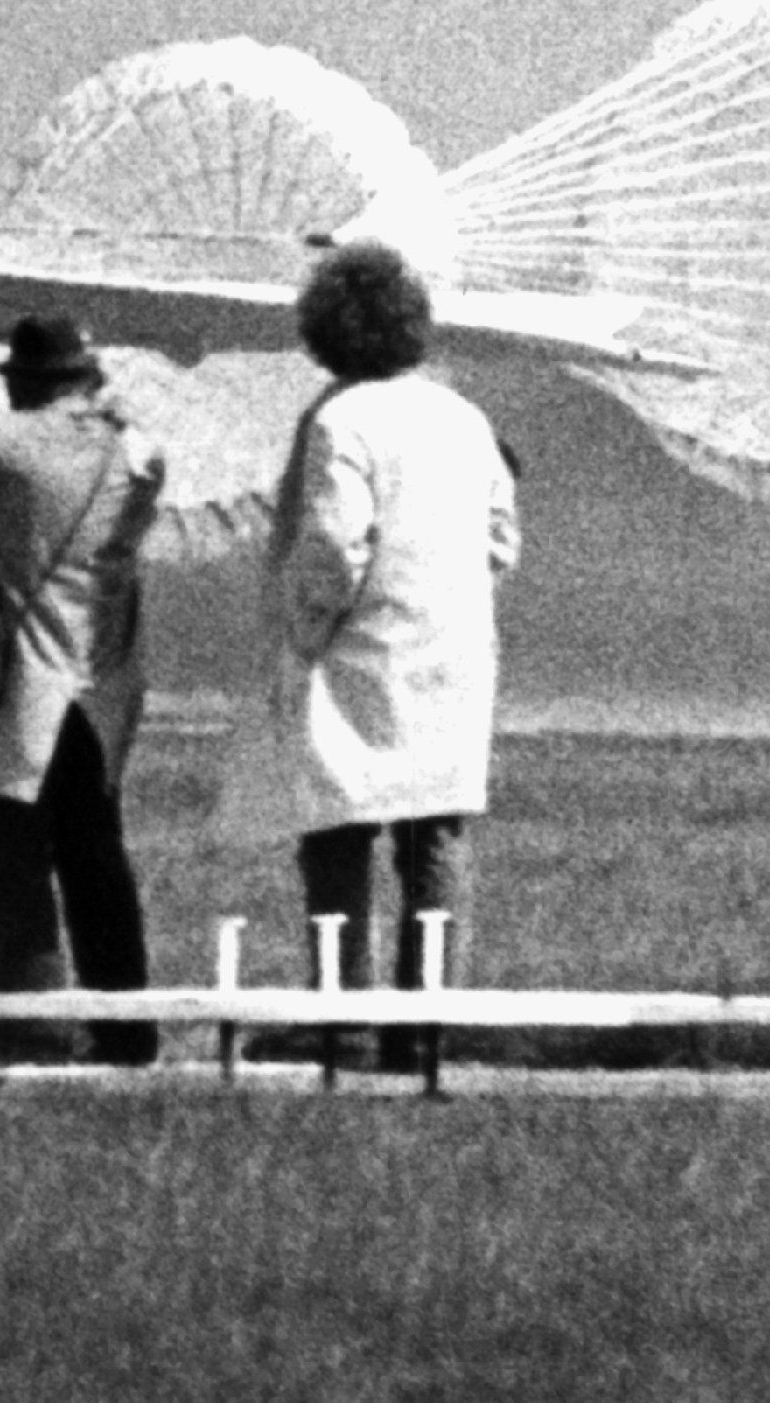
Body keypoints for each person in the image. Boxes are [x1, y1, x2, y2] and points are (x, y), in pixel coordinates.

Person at [270, 241, 517, 1071]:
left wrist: (305, 627)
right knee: (434, 843)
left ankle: (343, 1025)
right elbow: (500, 538)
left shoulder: (341, 419)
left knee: (338, 839)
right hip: (453, 652)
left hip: (358, 654)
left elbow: (334, 544)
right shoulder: (465, 416)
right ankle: (423, 1030)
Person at [0, 311, 168, 1064]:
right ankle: (125, 1024)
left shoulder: (1, 440)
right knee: (97, 852)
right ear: (87, 378)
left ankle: (33, 1021)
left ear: (21, 381)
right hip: (104, 682)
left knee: (17, 852)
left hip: (21, 676)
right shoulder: (139, 452)